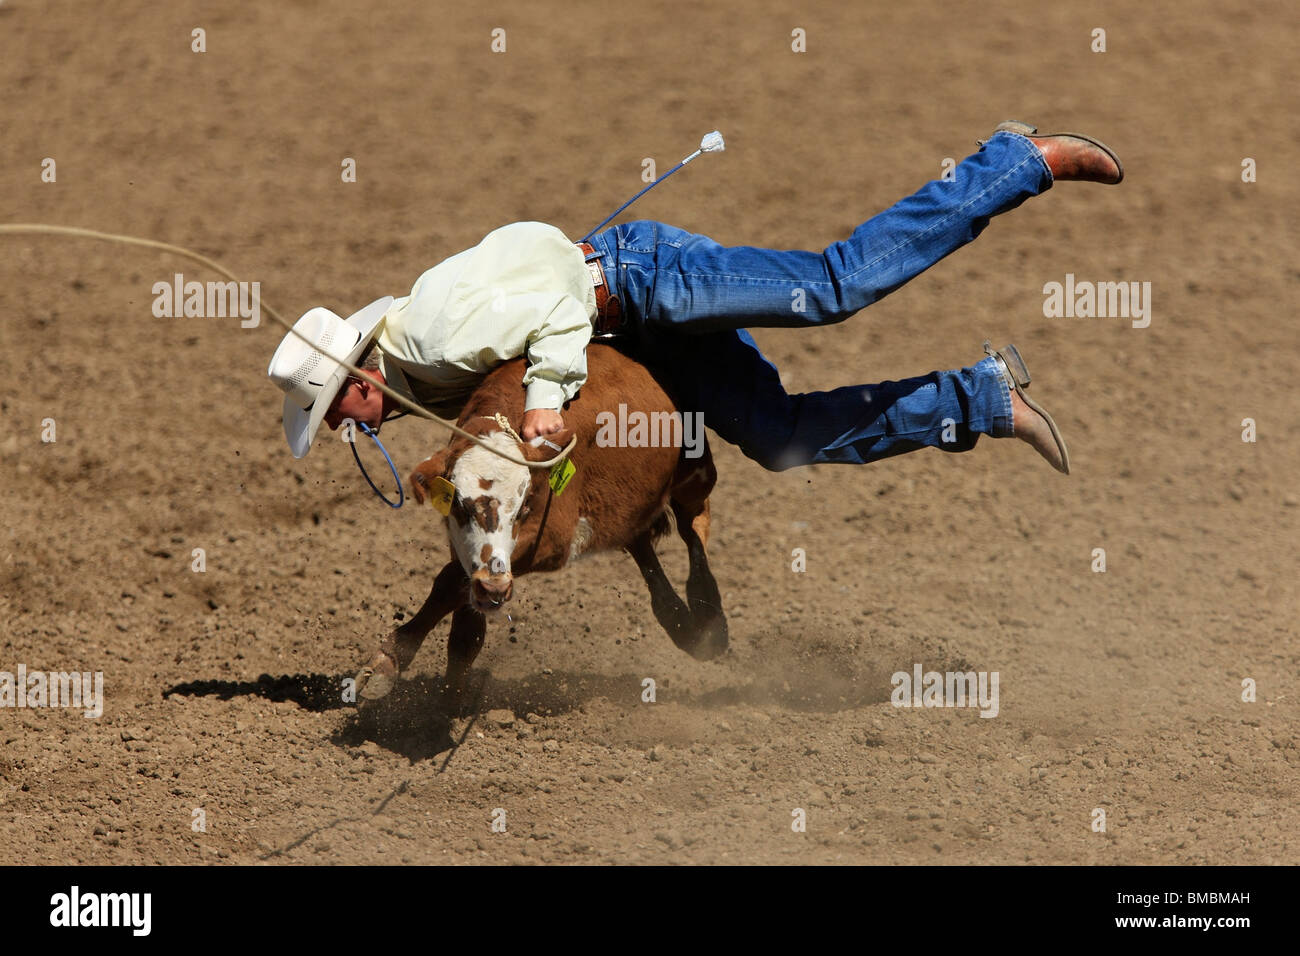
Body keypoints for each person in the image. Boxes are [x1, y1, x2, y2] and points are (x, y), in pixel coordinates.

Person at [268, 121, 1123, 476]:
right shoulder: (416, 369)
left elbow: (560, 307)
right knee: (778, 439)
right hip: (636, 323)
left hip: (640, 279)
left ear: (353, 371)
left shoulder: (424, 341)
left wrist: (540, 406)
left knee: (830, 288)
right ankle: (979, 398)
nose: (345, 427)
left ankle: (1016, 161)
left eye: (332, 410)